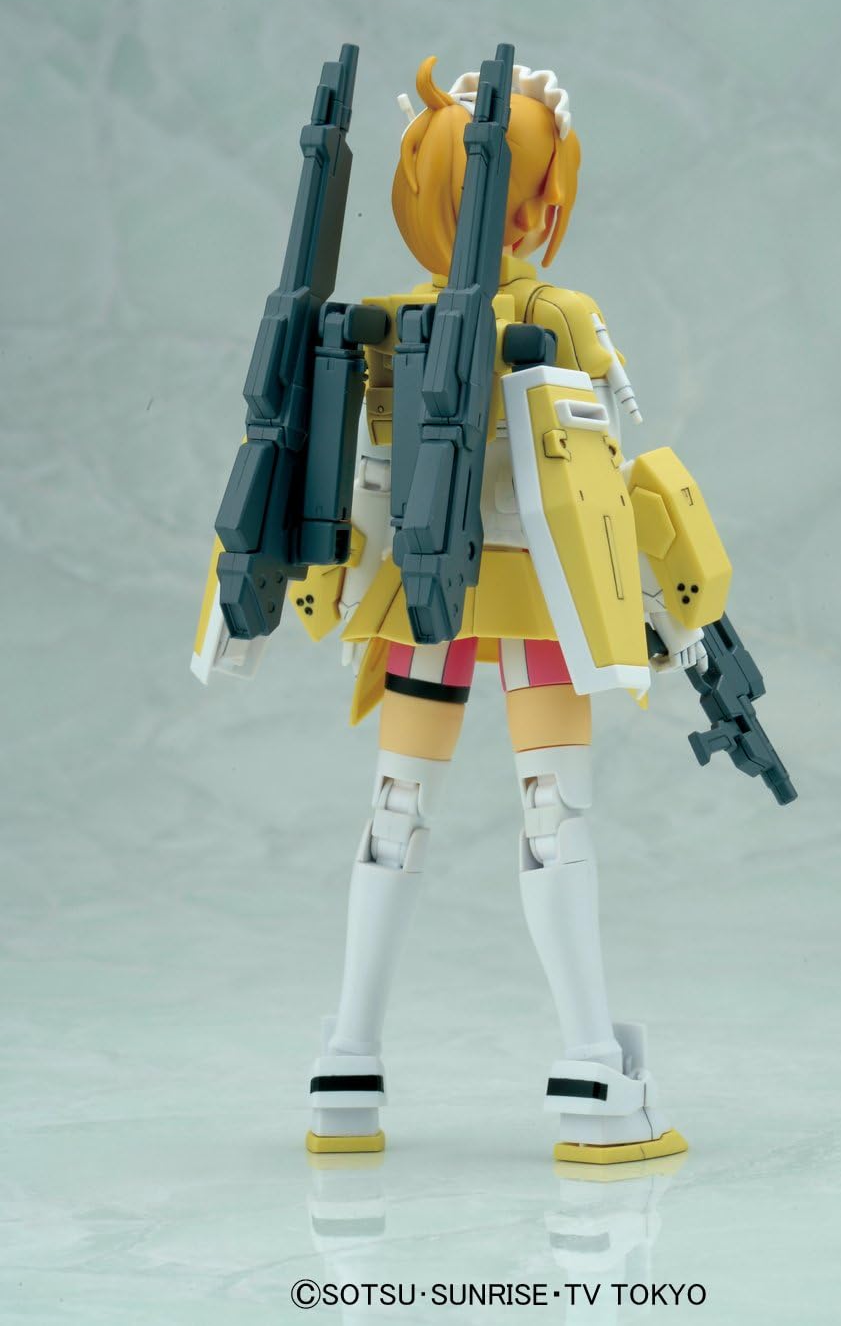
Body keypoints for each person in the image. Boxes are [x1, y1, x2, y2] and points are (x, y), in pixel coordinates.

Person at [196, 56, 731, 1164]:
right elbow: (604, 483)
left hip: (418, 602)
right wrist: (675, 615)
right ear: (537, 203)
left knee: (393, 816)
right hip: (535, 602)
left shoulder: (374, 321)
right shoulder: (561, 315)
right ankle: (592, 1070)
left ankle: (346, 1068)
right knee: (555, 819)